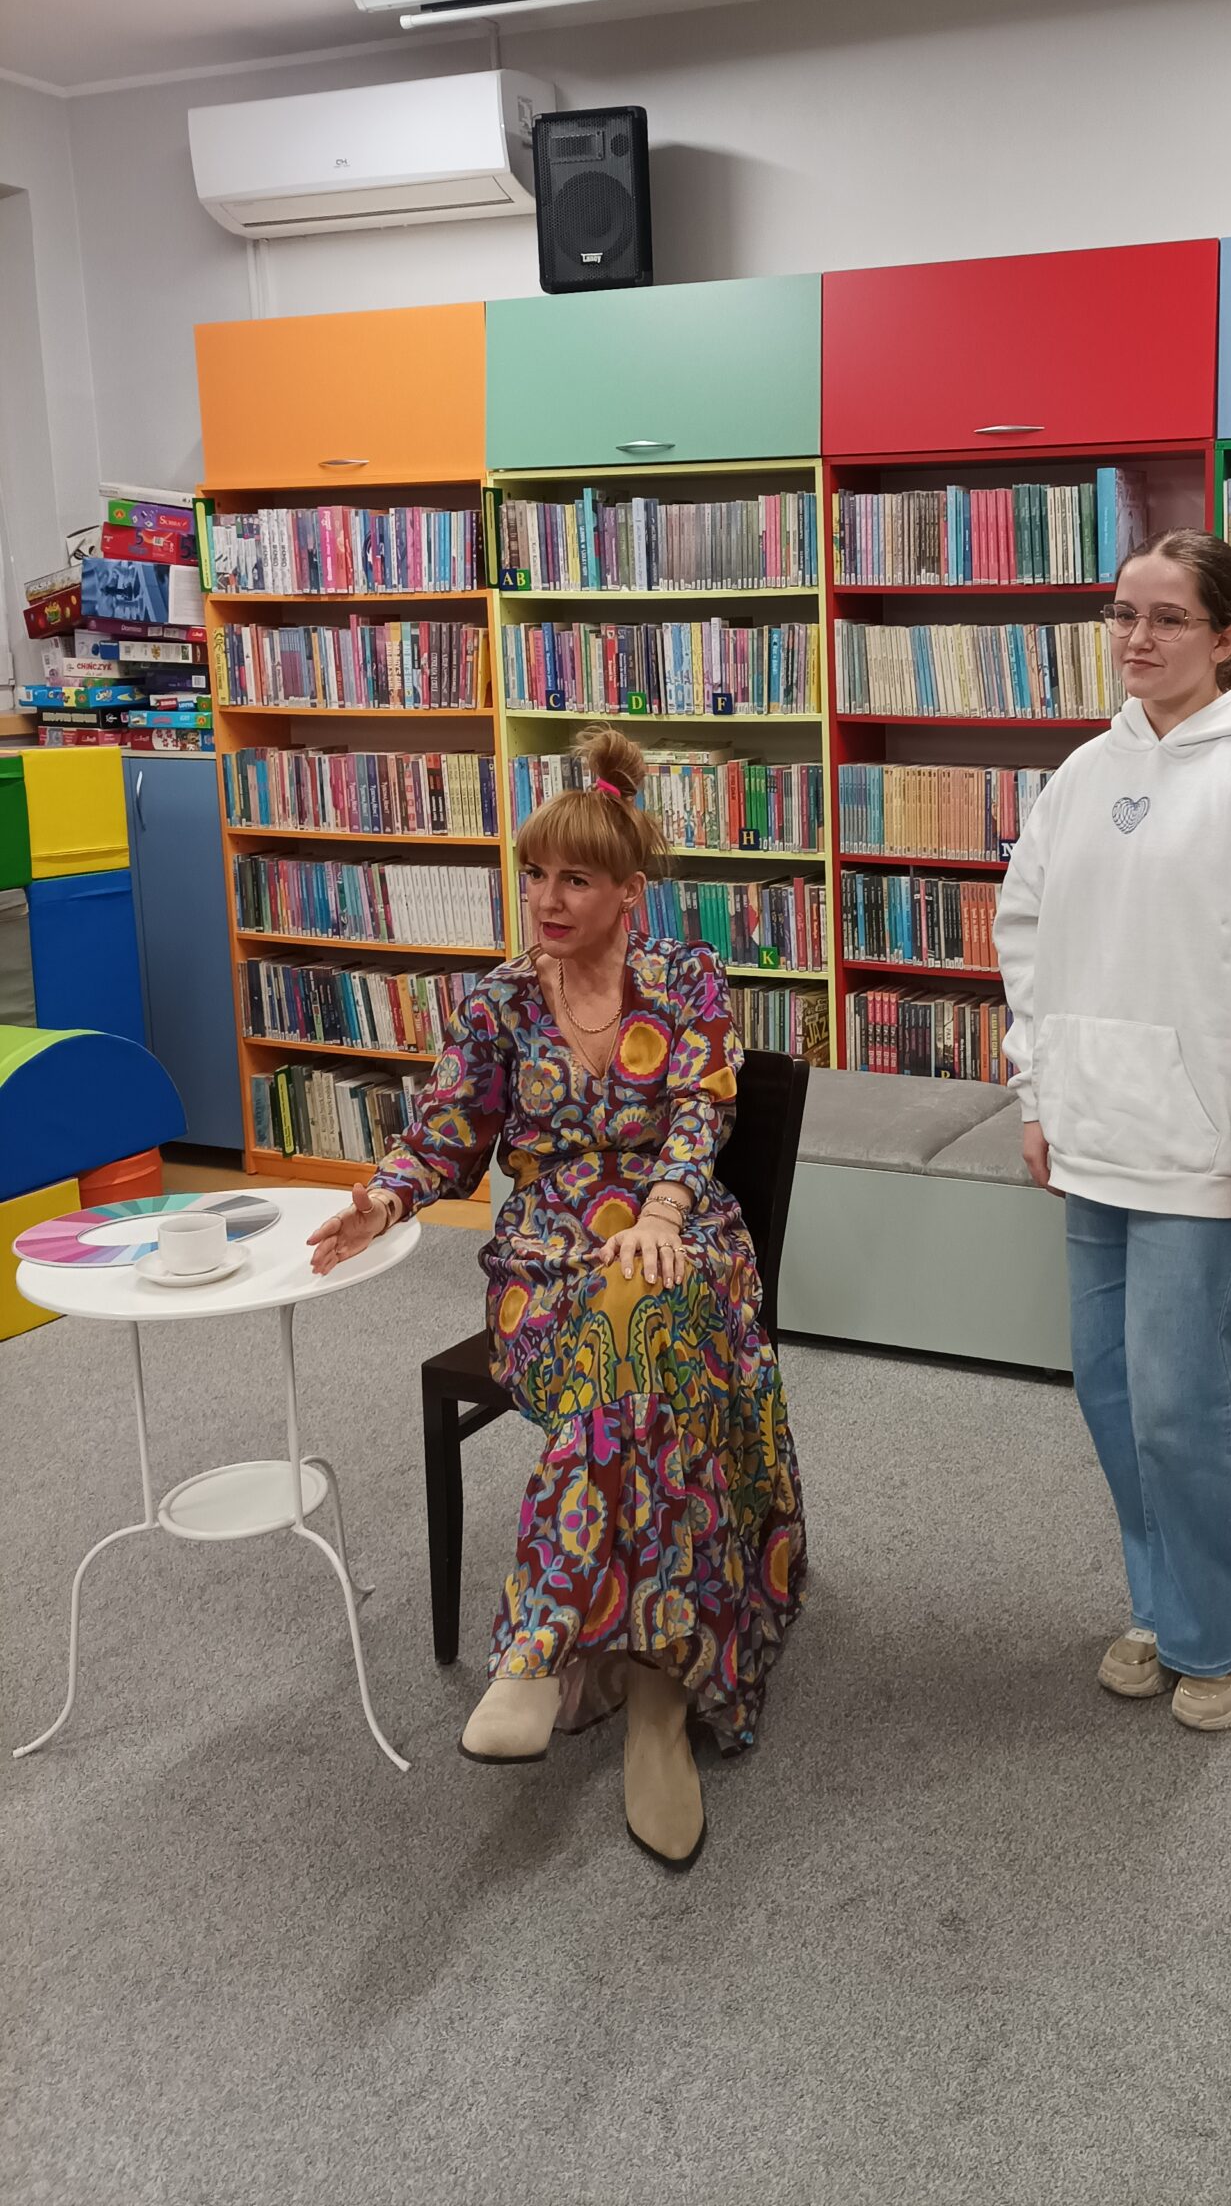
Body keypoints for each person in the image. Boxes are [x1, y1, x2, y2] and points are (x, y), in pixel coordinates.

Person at [307, 724, 805, 1866]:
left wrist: (664, 1214)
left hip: (682, 1240)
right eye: (534, 874)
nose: (546, 898)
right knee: (638, 1379)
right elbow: (446, 1134)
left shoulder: (684, 978)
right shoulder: (496, 1004)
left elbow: (704, 1110)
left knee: (647, 1327)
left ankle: (551, 1653)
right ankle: (657, 1699)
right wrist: (384, 1199)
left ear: (630, 891)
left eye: (576, 878)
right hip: (545, 1263)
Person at [994, 529, 1231, 1734]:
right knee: (1110, 1394)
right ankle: (1173, 1603)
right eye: (1122, 614)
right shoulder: (1083, 773)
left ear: (1226, 636)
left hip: (1204, 1160)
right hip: (1093, 1133)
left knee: (1177, 1401)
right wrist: (1038, 1094)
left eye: (1165, 617)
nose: (1136, 638)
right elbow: (1026, 932)